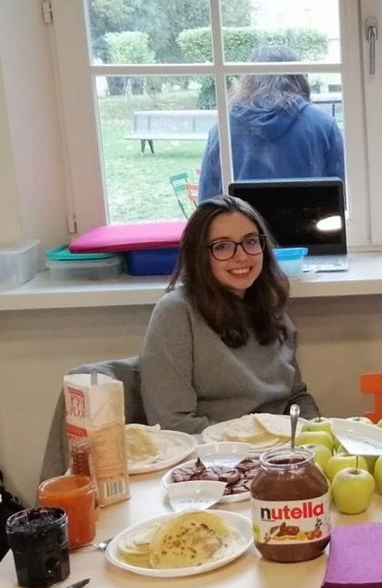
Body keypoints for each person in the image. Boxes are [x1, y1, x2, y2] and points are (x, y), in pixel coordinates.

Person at [140, 195, 319, 433]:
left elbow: (296, 397)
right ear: (199, 256)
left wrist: (314, 433)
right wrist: (256, 446)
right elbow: (173, 423)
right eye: (222, 246)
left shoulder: (270, 306)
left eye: (251, 241)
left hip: (278, 452)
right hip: (214, 457)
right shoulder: (175, 313)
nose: (242, 255)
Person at [197, 45, 345, 200]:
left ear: (249, 79)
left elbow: (207, 203)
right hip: (306, 223)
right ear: (300, 78)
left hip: (241, 223)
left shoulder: (223, 129)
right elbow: (338, 201)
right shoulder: (324, 126)